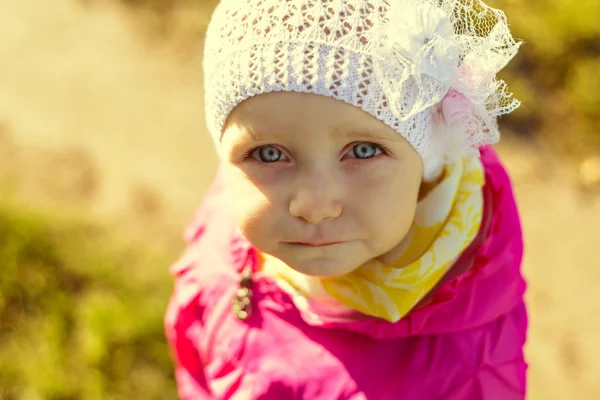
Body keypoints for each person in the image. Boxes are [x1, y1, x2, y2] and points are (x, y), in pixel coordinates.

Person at [165, 0, 528, 398]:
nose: (314, 205)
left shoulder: (462, 371)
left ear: (425, 167)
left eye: (363, 151)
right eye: (269, 154)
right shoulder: (229, 227)